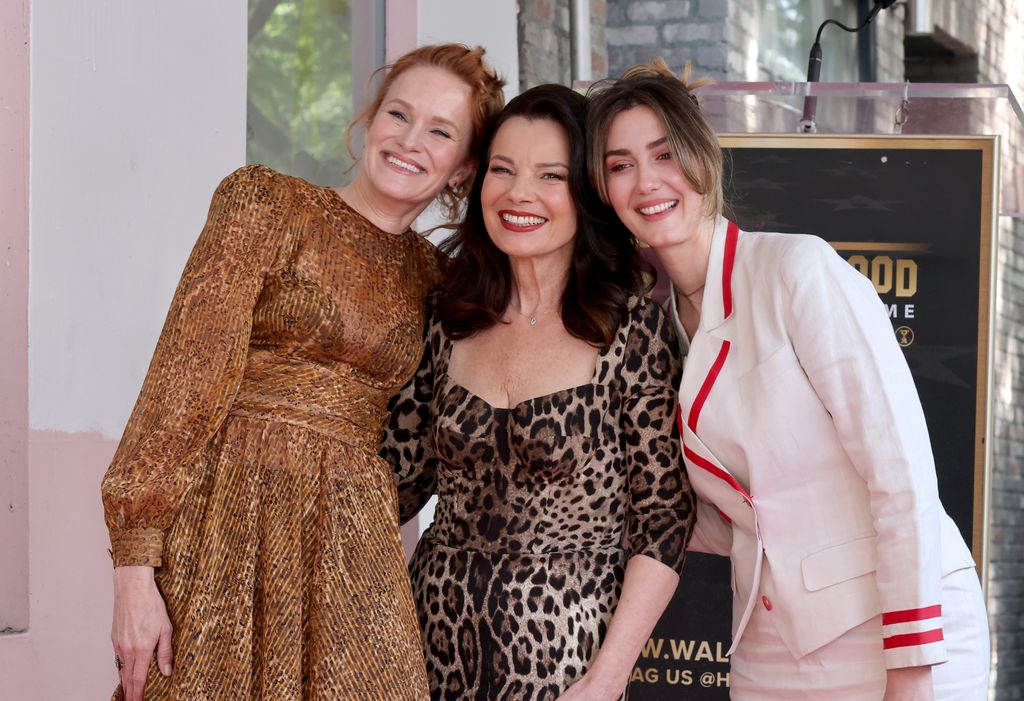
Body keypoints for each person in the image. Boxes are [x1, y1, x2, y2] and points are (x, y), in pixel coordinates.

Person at [101, 43, 505, 701]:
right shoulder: (264, 202)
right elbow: (184, 378)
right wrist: (132, 569)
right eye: (398, 115)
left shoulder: (436, 279)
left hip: (349, 542)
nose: (409, 140)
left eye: (440, 131)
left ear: (463, 167)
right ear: (370, 122)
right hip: (224, 523)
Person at [586, 58, 991, 700]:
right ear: (604, 191)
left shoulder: (796, 271)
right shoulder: (655, 329)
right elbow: (730, 512)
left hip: (898, 626)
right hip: (770, 645)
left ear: (703, 159)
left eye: (665, 154)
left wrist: (911, 669)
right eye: (619, 165)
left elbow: (901, 468)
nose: (646, 182)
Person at [379, 83, 695, 701]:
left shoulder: (632, 330)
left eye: (550, 175)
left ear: (585, 194)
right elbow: (396, 483)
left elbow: (663, 520)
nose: (519, 193)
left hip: (569, 666)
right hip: (428, 652)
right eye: (503, 169)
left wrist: (607, 679)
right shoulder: (448, 318)